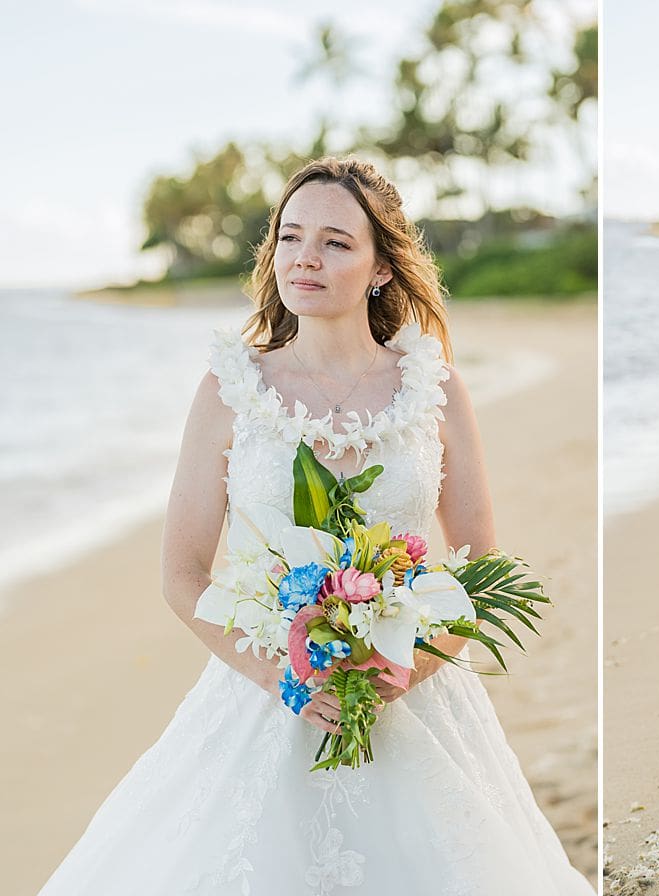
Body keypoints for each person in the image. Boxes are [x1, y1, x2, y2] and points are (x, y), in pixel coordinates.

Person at [37, 157, 596, 895]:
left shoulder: (435, 387)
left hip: (416, 701)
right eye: (290, 236)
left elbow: (479, 567)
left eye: (335, 241)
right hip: (263, 695)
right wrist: (284, 678)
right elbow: (182, 574)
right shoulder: (231, 389)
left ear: (381, 269)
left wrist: (406, 667)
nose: (304, 258)